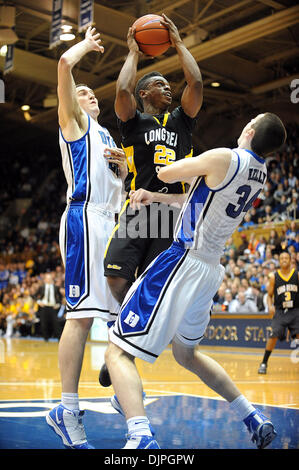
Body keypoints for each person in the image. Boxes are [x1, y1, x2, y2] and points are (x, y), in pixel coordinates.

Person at [105, 112, 287, 449]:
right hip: (209, 270)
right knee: (187, 355)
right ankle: (253, 416)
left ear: (248, 129)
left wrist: (148, 152)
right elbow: (195, 200)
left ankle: (141, 434)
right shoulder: (259, 174)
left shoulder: (223, 157)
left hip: (182, 259)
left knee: (116, 350)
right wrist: (155, 197)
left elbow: (165, 171)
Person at [100, 13, 203, 387]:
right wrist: (132, 51)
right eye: (160, 84)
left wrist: (177, 43)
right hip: (141, 210)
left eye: (167, 83)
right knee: (116, 278)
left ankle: (123, 346)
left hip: (171, 214)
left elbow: (196, 81)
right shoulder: (133, 121)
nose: (169, 88)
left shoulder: (181, 122)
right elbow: (122, 91)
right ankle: (120, 332)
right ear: (145, 95)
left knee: (154, 285)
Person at [45, 26, 127, 449]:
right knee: (80, 316)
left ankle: (118, 385)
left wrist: (124, 171)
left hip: (111, 223)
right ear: (70, 104)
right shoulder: (74, 127)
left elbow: (121, 193)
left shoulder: (108, 138)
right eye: (82, 93)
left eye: (94, 94)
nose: (90, 95)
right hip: (83, 221)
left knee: (122, 312)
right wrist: (85, 47)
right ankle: (67, 407)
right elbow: (63, 66)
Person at [258, 250, 299, 374]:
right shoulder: (273, 277)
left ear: (291, 260)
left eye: (287, 258)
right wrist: (270, 306)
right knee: (274, 335)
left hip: (295, 310)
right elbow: (269, 295)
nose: (284, 260)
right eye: (282, 258)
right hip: (280, 311)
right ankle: (264, 362)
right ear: (279, 261)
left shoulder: (296, 275)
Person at [35, 272, 63, 341]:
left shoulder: (55, 287)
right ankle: (46, 338)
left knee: (55, 323)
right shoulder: (42, 287)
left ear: (52, 279)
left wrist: (58, 304)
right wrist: (39, 302)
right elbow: (35, 295)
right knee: (44, 323)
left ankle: (59, 338)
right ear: (45, 279)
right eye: (47, 278)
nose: (48, 280)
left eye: (50, 278)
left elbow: (60, 297)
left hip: (53, 307)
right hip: (44, 307)